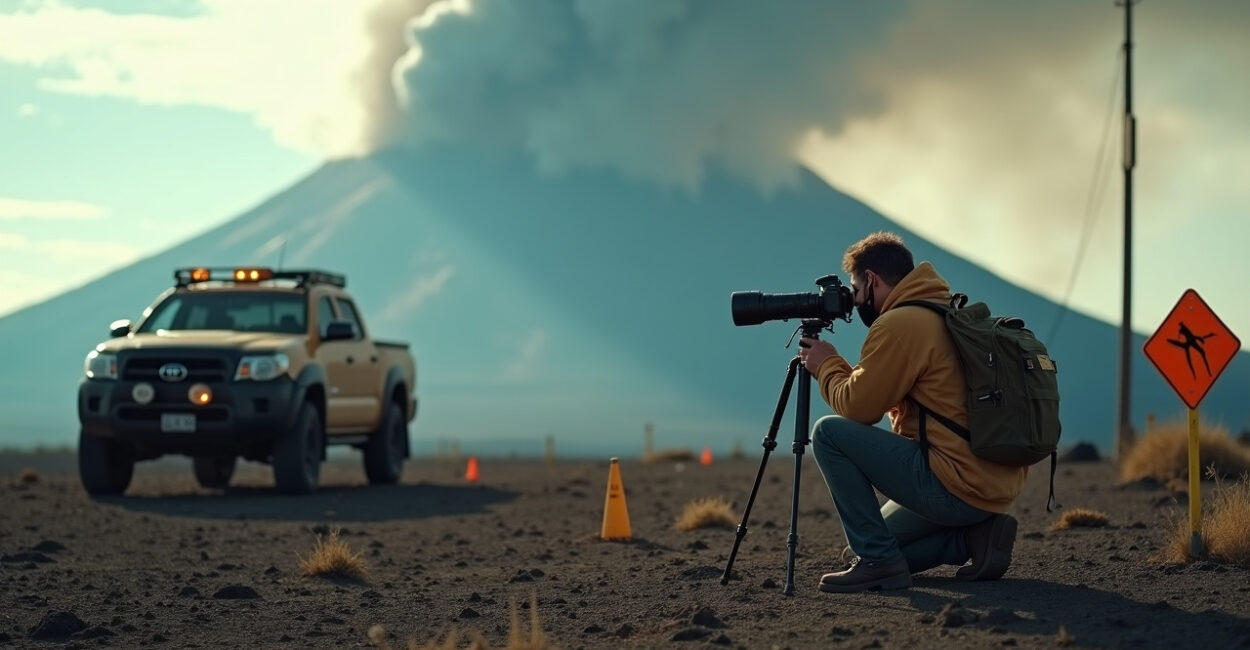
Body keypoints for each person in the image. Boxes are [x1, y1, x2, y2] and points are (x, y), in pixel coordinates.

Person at [796, 231, 1025, 593]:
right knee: (868, 543)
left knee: (828, 433)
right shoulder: (944, 310)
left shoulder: (900, 324)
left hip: (956, 483)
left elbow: (859, 408)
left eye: (855, 290)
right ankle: (973, 540)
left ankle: (880, 565)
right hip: (991, 484)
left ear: (872, 280)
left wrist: (826, 365)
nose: (854, 302)